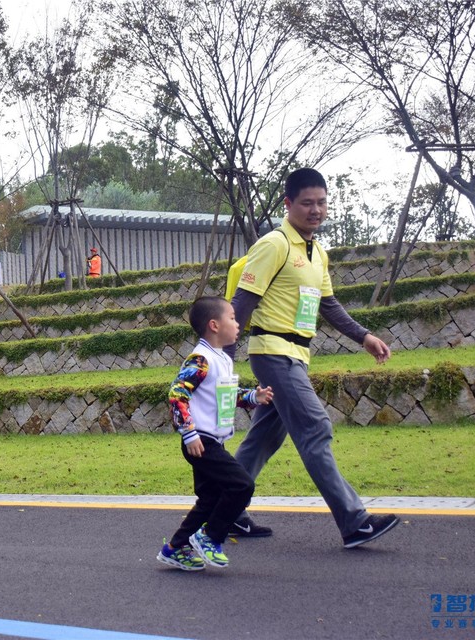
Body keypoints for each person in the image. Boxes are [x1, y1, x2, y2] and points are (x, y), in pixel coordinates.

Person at [227, 167, 399, 548]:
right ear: (288, 204)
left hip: (297, 354)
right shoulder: (274, 245)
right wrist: (221, 359)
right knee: (316, 427)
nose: (315, 210)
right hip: (272, 352)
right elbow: (241, 304)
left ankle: (225, 510)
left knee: (263, 439)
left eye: (321, 202)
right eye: (307, 203)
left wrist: (365, 336)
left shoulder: (317, 252)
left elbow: (328, 305)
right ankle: (355, 522)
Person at [157, 296, 274, 571]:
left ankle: (174, 548)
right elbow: (177, 394)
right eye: (232, 318)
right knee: (241, 485)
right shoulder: (201, 359)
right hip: (201, 441)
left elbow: (225, 395)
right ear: (214, 325)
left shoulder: (221, 359)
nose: (237, 323)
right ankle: (210, 537)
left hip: (211, 440)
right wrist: (189, 433)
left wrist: (253, 397)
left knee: (209, 499)